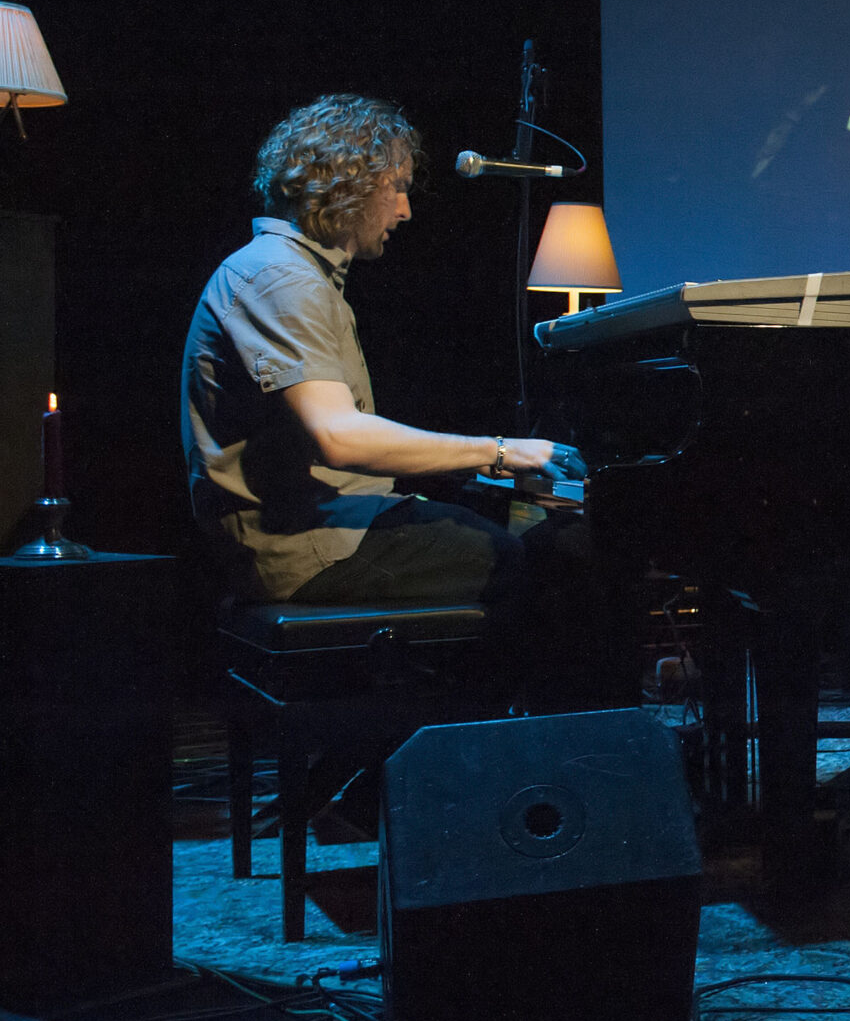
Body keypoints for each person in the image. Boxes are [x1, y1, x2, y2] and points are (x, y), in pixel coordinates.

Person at [182, 93, 611, 708]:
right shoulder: (281, 277)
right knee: (546, 567)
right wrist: (496, 451)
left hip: (324, 527)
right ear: (345, 187)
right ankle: (501, 761)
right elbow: (341, 437)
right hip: (307, 549)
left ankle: (460, 752)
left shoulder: (291, 273)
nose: (407, 210)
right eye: (398, 187)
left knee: (514, 538)